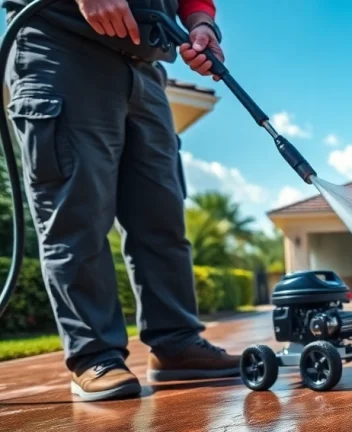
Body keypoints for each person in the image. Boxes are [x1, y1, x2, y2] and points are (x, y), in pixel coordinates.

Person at [3, 0, 240, 401]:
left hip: (144, 65)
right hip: (61, 43)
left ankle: (177, 343)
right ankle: (94, 355)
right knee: (77, 214)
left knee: (161, 215)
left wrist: (201, 22)